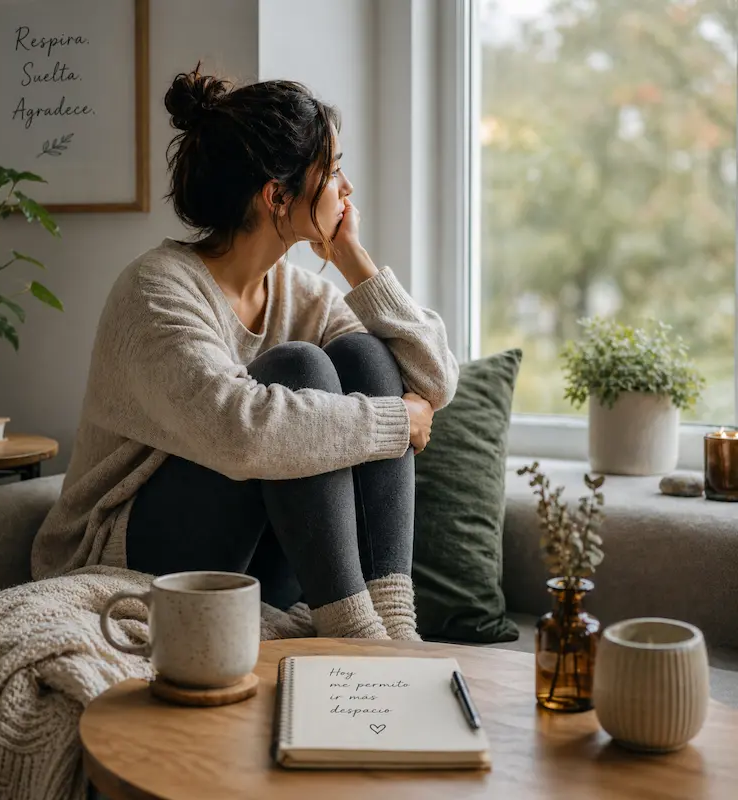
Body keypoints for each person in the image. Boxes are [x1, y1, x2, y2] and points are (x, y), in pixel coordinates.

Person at [31, 68, 459, 640]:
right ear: (277, 196)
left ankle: (394, 625)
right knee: (298, 368)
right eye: (333, 170)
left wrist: (355, 260)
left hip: (256, 561)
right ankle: (355, 631)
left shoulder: (298, 293)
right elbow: (241, 434)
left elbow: (433, 380)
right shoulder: (155, 291)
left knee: (367, 356)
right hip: (125, 553)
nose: (347, 188)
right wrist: (395, 423)